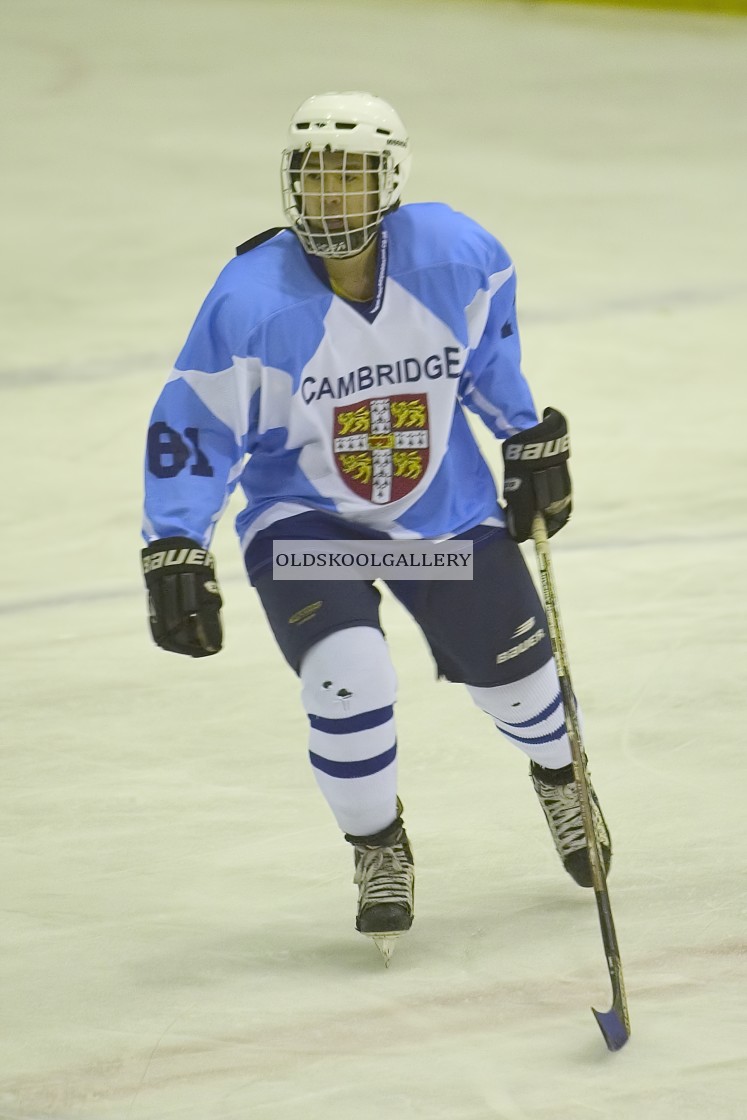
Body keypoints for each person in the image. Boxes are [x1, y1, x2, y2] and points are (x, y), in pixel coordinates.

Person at [141, 91, 611, 961]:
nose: (330, 197)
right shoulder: (250, 299)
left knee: (521, 692)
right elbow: (196, 423)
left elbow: (488, 360)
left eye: (350, 178)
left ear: (387, 183)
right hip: (306, 521)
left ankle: (560, 775)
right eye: (314, 177)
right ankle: (377, 848)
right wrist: (173, 537)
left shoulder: (458, 255)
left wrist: (523, 436)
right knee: (347, 676)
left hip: (444, 514)